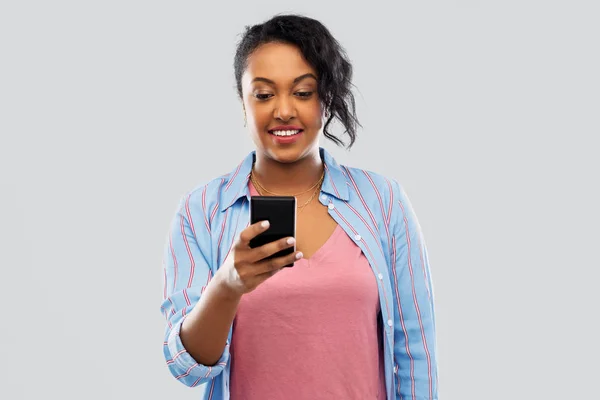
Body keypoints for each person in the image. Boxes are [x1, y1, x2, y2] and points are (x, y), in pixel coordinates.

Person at [160, 14, 438, 400]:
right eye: (264, 94)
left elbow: (415, 353)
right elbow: (186, 367)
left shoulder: (384, 201)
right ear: (243, 102)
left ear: (327, 98)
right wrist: (228, 285)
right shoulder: (200, 211)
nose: (284, 110)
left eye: (303, 92)